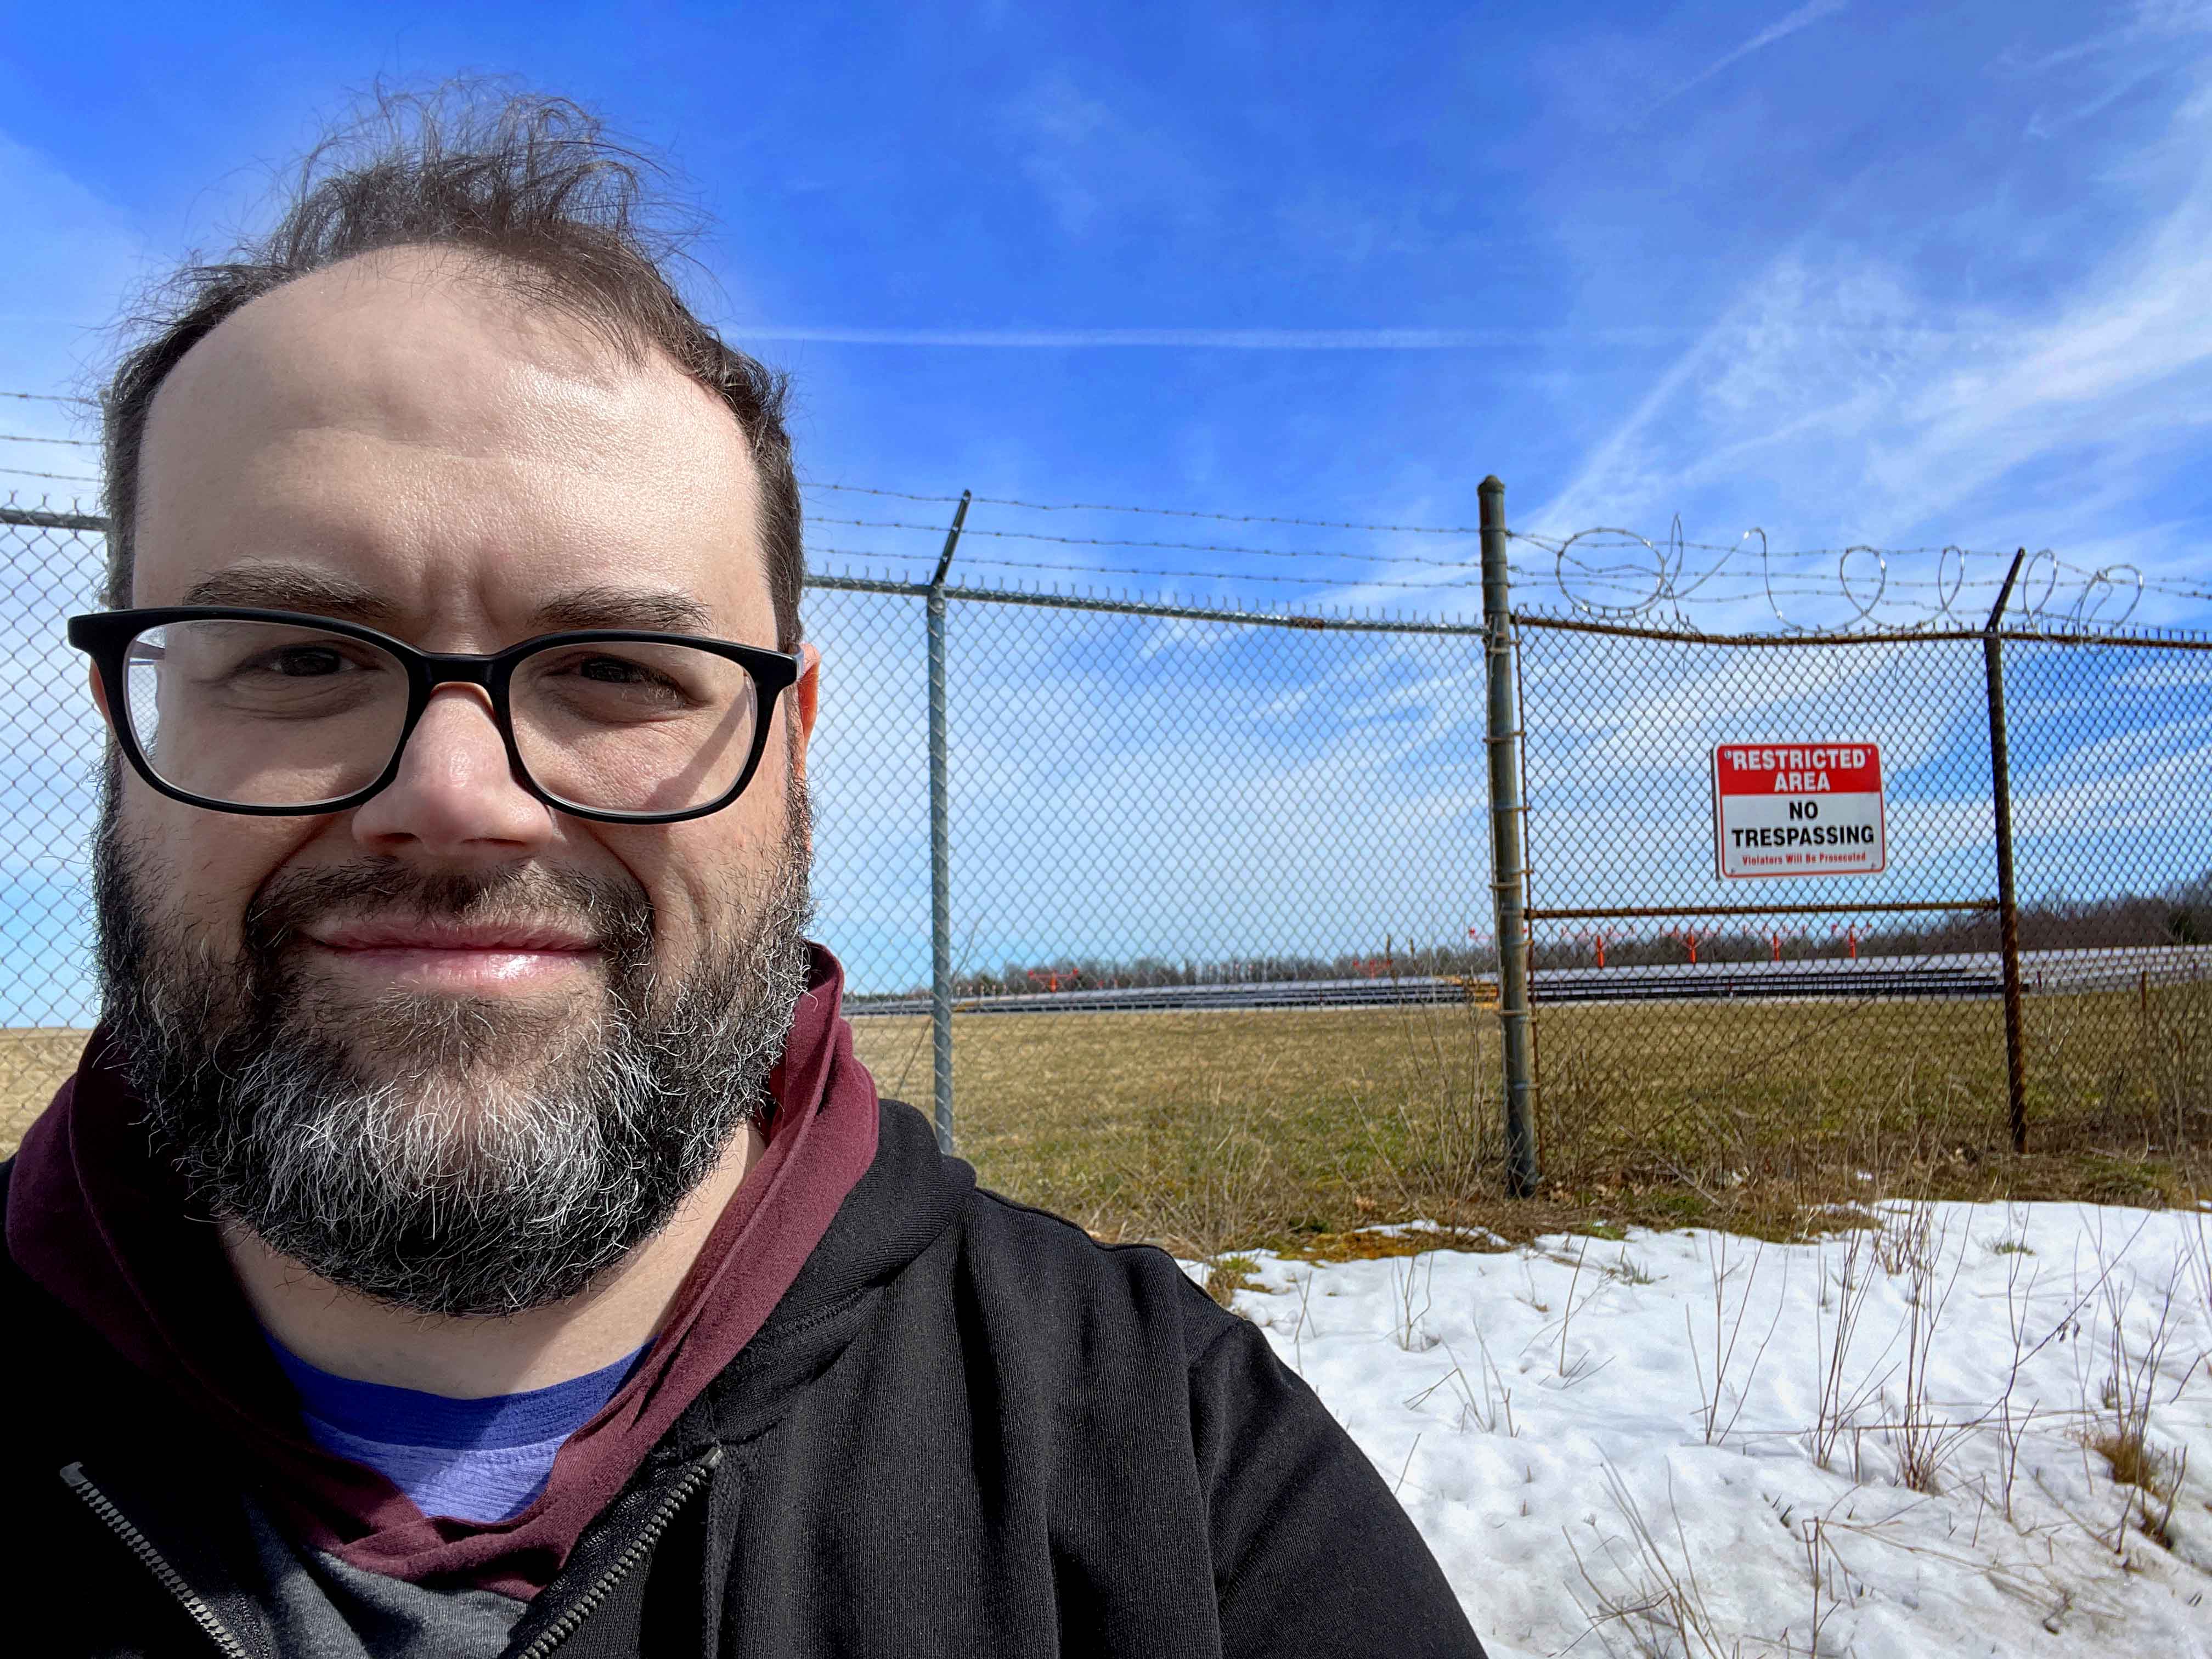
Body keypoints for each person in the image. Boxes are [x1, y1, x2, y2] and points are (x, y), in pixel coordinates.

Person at [1, 89, 1487, 1658]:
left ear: (788, 743)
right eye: (300, 655)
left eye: (619, 669)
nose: (456, 795)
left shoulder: (1169, 1465)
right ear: (123, 722)